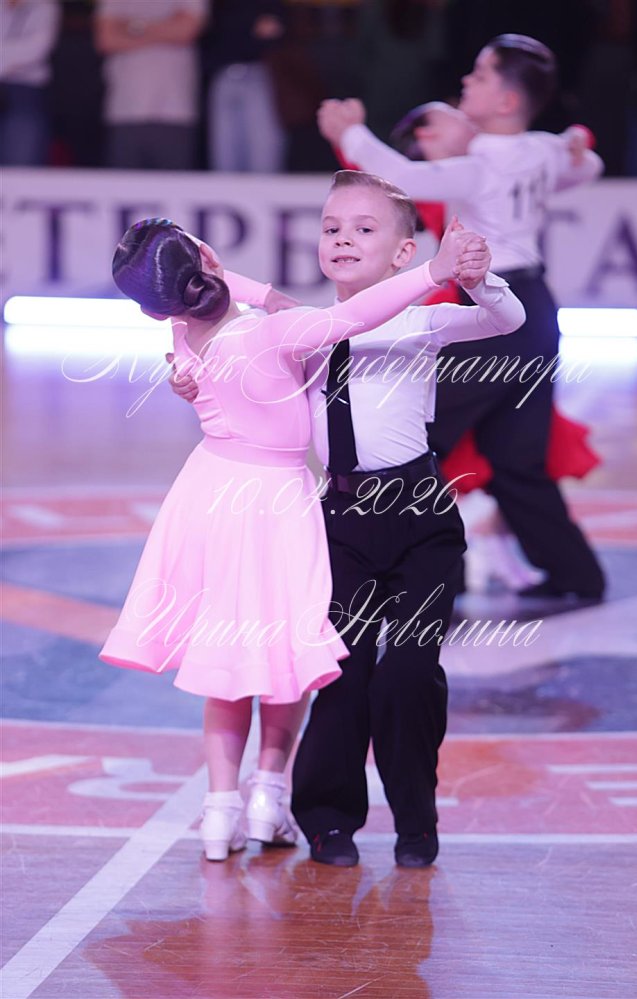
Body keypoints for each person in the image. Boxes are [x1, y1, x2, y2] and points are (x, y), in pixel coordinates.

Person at [100, 210, 487, 862]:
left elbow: (255, 307)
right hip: (274, 502)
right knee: (283, 655)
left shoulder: (181, 334)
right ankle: (268, 793)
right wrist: (433, 272)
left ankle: (222, 810)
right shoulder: (271, 333)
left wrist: (214, 294)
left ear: (151, 307)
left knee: (226, 656)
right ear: (208, 259)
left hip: (210, 494)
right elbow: (353, 317)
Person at [318, 34, 607, 601]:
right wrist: (577, 142)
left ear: (506, 100)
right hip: (534, 310)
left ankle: (421, 585)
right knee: (516, 457)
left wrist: (348, 131)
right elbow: (588, 166)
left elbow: (401, 176)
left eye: (480, 75)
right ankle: (579, 577)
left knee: (419, 439)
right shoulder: (543, 150)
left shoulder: (482, 164)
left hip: (492, 309)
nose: (466, 82)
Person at [94, 0, 207, 170]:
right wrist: (167, 26)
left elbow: (185, 32)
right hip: (125, 109)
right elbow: (106, 39)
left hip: (175, 110)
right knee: (122, 184)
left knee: (174, 185)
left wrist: (129, 26)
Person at [203, 0, 286, 173]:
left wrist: (241, 30)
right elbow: (205, 31)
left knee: (263, 157)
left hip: (258, 73)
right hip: (222, 74)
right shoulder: (219, 6)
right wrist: (250, 28)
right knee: (224, 158)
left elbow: (276, 28)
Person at [0, 0, 60, 166]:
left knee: (22, 162)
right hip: (23, 86)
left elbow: (36, 50)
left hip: (25, 92)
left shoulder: (44, 7)